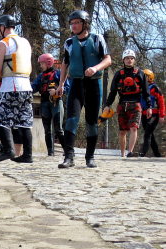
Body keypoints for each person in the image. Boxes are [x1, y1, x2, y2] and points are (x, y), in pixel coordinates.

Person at [56, 10, 112, 168]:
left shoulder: (97, 38)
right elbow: (65, 64)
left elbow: (108, 59)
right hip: (76, 83)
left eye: (77, 23)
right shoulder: (69, 42)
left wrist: (95, 68)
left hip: (93, 83)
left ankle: (90, 157)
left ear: (85, 23)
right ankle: (69, 157)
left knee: (91, 122)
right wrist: (61, 84)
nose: (73, 26)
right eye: (72, 23)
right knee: (71, 119)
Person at [0, 14, 34, 163]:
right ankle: (28, 155)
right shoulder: (25, 42)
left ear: (2, 27)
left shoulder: (3, 43)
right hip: (27, 86)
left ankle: (8, 150)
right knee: (24, 122)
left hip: (11, 86)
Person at [103, 49, 151, 157]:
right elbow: (113, 92)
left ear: (134, 60)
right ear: (123, 60)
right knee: (122, 131)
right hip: (122, 104)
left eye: (131, 58)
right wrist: (107, 105)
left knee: (134, 127)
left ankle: (130, 152)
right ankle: (123, 154)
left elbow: (146, 92)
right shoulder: (118, 74)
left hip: (136, 104)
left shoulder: (140, 74)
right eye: (127, 58)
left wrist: (149, 107)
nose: (129, 60)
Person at [31, 53, 69, 156]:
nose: (41, 66)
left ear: (48, 63)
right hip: (44, 103)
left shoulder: (59, 74)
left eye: (42, 63)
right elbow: (33, 87)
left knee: (58, 129)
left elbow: (67, 88)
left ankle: (67, 151)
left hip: (56, 103)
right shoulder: (40, 76)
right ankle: (50, 152)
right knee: (47, 130)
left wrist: (56, 91)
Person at [139, 69, 164, 157]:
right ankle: (157, 154)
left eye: (145, 76)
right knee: (150, 134)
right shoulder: (141, 88)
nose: (143, 78)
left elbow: (161, 102)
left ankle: (142, 153)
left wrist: (162, 115)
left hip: (154, 113)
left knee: (147, 134)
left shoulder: (155, 88)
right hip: (144, 114)